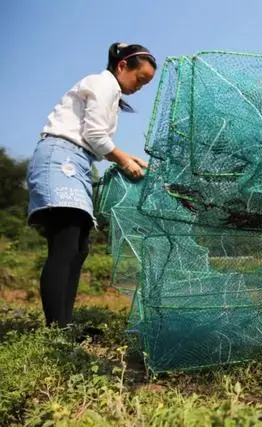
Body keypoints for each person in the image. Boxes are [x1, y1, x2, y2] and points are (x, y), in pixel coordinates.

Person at [26, 42, 157, 328]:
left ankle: (64, 325)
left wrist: (126, 156)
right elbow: (95, 135)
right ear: (123, 66)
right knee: (65, 243)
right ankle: (56, 330)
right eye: (141, 78)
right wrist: (123, 160)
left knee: (79, 247)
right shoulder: (102, 83)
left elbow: (97, 143)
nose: (141, 86)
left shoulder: (111, 93)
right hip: (60, 159)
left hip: (78, 162)